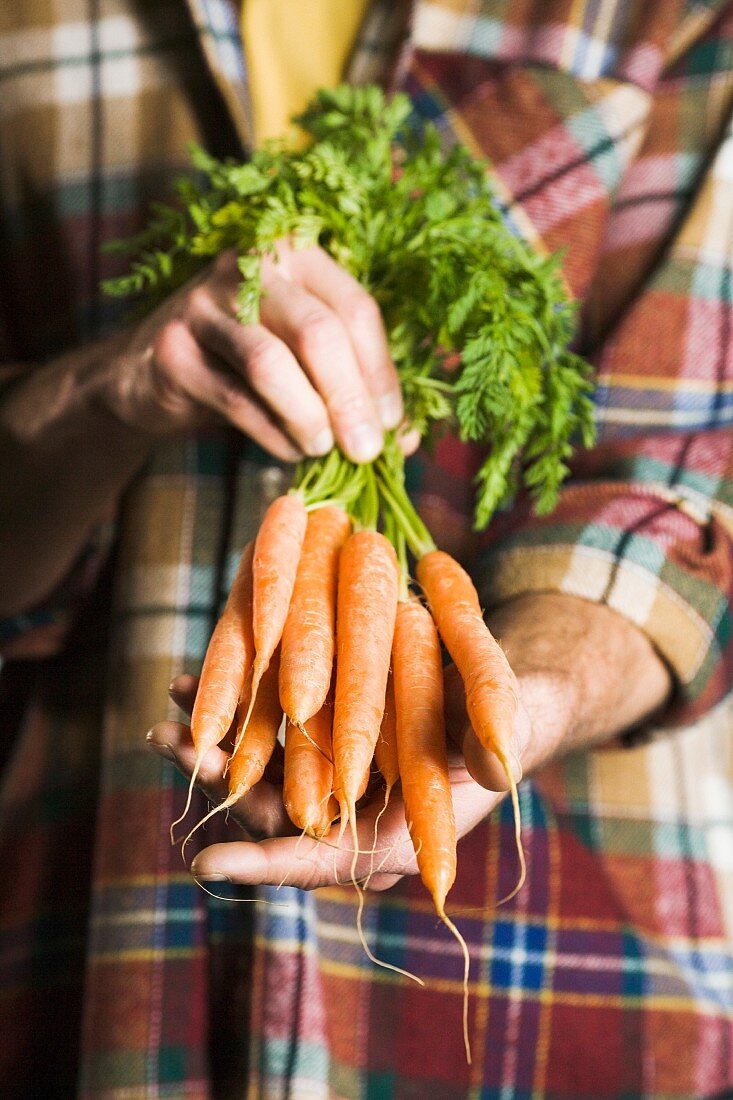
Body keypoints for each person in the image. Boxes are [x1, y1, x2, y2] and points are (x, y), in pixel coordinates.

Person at [1, 1, 731, 1096]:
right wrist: (111, 387)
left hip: (568, 991)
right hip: (93, 960)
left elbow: (683, 485)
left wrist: (516, 699)